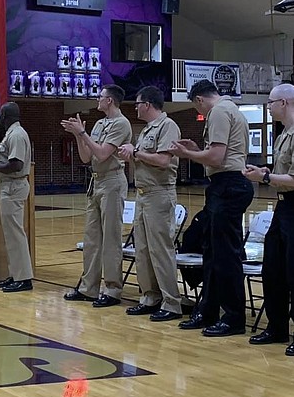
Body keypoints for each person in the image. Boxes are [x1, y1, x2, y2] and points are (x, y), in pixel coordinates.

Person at [167, 79, 254, 337]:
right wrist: (196, 150)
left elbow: (216, 158)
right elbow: (217, 153)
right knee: (213, 252)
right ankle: (210, 310)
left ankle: (233, 317)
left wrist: (188, 155)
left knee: (225, 255)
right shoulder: (230, 110)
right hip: (226, 184)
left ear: (199, 100)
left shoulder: (217, 112)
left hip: (228, 184)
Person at [244, 83, 294, 356]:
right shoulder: (284, 135)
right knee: (273, 270)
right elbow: (285, 173)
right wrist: (267, 171)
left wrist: (264, 178)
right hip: (284, 207)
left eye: (271, 102)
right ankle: (277, 327)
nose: (268, 106)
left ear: (285, 103)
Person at [61, 84, 133, 308]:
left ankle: (112, 289)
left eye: (100, 97)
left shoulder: (121, 123)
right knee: (92, 238)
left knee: (111, 237)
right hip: (96, 181)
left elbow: (102, 154)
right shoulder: (100, 123)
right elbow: (86, 157)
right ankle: (88, 287)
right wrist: (78, 136)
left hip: (112, 180)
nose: (97, 100)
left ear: (109, 100)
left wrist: (82, 133)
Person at [117, 86, 184, 322]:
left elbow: (164, 160)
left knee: (160, 249)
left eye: (137, 103)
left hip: (159, 194)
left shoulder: (168, 126)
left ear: (147, 104)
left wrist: (136, 153)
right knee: (143, 249)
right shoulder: (146, 130)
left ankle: (171, 302)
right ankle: (150, 296)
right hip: (143, 194)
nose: (135, 107)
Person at [0, 102, 35, 292]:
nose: (0, 119)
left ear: (6, 116)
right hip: (8, 186)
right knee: (11, 235)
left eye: (2, 115)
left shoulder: (17, 135)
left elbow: (16, 165)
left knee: (15, 234)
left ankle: (24, 278)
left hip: (14, 186)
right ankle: (16, 274)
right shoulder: (12, 133)